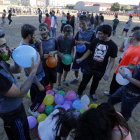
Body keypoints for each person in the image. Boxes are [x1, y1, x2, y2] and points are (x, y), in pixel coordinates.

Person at [0, 36, 40, 139]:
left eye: (6, 44)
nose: (8, 48)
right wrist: (33, 71)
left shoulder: (1, 62)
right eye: (3, 46)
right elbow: (21, 93)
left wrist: (16, 59)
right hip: (13, 114)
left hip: (12, 111)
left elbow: (16, 70)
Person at [76, 25, 118, 102]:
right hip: (89, 66)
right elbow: (89, 51)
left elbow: (112, 60)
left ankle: (92, 93)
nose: (98, 35)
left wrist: (107, 73)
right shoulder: (95, 41)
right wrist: (81, 59)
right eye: (98, 33)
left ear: (107, 34)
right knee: (84, 81)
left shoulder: (113, 46)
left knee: (95, 82)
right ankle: (79, 93)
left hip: (100, 69)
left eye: (101, 34)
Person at [20, 24, 46, 117]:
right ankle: (32, 109)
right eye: (34, 35)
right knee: (42, 93)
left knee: (34, 90)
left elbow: (41, 55)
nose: (36, 37)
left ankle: (33, 101)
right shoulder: (24, 51)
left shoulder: (31, 42)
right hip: (35, 77)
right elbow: (31, 73)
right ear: (29, 36)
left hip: (39, 72)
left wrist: (40, 45)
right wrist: (39, 85)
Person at [104, 30, 140, 96]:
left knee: (118, 87)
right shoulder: (131, 46)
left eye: (130, 36)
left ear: (134, 38)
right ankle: (111, 93)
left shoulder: (137, 51)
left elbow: (133, 67)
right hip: (119, 70)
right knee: (113, 83)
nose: (129, 37)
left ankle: (114, 97)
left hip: (124, 73)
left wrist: (124, 68)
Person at [70, 15, 96, 84]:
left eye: (83, 23)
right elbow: (75, 41)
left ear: (87, 22)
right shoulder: (79, 32)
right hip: (78, 53)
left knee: (84, 70)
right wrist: (76, 42)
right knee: (76, 67)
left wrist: (85, 42)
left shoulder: (92, 32)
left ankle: (83, 82)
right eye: (80, 23)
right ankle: (76, 78)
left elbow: (94, 44)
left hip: (87, 55)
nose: (81, 25)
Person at [39, 22, 58, 93]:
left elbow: (57, 50)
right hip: (43, 66)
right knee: (45, 80)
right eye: (40, 30)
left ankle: (52, 88)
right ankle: (47, 90)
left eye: (44, 29)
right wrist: (43, 56)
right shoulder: (39, 42)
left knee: (52, 78)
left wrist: (53, 52)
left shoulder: (53, 40)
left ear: (48, 30)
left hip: (53, 65)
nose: (43, 32)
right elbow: (37, 55)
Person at [56, 25, 75, 90]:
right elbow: (56, 48)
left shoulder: (72, 38)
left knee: (66, 70)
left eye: (70, 33)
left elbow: (72, 47)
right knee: (60, 72)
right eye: (66, 34)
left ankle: (64, 80)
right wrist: (59, 54)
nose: (68, 36)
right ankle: (59, 84)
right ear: (63, 32)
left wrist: (72, 55)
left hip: (68, 59)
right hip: (60, 59)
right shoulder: (58, 39)